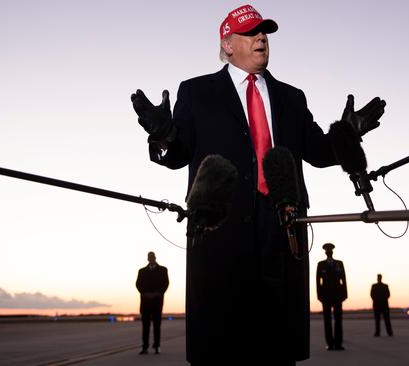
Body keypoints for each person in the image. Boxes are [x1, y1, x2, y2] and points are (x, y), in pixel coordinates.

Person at [131, 4, 385, 364]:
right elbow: (177, 155)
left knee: (278, 342)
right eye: (251, 32)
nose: (261, 37)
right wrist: (164, 135)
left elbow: (318, 151)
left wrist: (347, 133)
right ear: (228, 44)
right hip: (220, 228)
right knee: (221, 342)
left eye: (264, 32)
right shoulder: (197, 92)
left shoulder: (291, 97)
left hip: (283, 227)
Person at [136, 251, 169, 354]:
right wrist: (145, 293)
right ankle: (145, 347)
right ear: (147, 259)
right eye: (149, 257)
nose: (151, 259)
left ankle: (157, 346)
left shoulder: (163, 270)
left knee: (156, 326)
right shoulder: (142, 271)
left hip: (157, 302)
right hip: (145, 302)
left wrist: (157, 293)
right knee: (145, 326)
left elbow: (166, 283)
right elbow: (138, 284)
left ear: (155, 258)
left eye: (152, 257)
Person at [316, 243, 347, 351]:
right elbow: (318, 282)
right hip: (326, 297)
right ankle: (330, 344)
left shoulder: (339, 264)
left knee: (338, 320)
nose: (329, 252)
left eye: (330, 251)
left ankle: (338, 344)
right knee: (327, 321)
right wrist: (319, 296)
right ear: (325, 252)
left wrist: (345, 294)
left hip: (338, 296)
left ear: (332, 252)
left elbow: (343, 280)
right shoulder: (321, 264)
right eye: (327, 251)